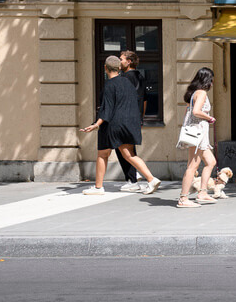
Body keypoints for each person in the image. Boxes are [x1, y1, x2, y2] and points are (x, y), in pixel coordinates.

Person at [79, 55, 161, 195]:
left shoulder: (109, 85)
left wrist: (96, 124)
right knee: (129, 154)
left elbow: (107, 108)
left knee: (103, 154)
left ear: (105, 68)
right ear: (119, 68)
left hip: (113, 124)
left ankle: (98, 187)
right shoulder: (127, 82)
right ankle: (151, 179)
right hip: (130, 123)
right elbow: (137, 101)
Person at [177, 67, 220, 208]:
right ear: (207, 80)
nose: (212, 83)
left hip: (197, 134)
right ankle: (183, 198)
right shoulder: (201, 93)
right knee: (192, 166)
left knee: (211, 162)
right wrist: (209, 117)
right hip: (198, 134)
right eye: (211, 80)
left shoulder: (194, 93)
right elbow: (196, 112)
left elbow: (188, 113)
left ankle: (202, 192)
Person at [116, 50, 146, 192]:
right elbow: (144, 100)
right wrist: (141, 117)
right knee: (130, 149)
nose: (119, 62)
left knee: (123, 150)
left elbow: (121, 100)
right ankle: (134, 174)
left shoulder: (124, 78)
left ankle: (132, 180)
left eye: (121, 59)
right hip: (135, 118)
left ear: (128, 62)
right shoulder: (140, 76)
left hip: (125, 118)